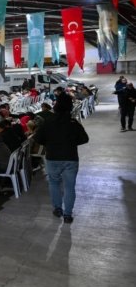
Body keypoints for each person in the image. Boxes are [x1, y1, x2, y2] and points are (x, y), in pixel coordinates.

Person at [34, 92, 88, 223]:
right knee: (70, 186)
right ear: (69, 107)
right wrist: (71, 142)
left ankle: (57, 208)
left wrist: (50, 142)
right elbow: (84, 139)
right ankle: (68, 215)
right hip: (70, 157)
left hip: (52, 157)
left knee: (54, 183)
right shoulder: (73, 122)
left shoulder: (48, 122)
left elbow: (38, 138)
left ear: (56, 106)